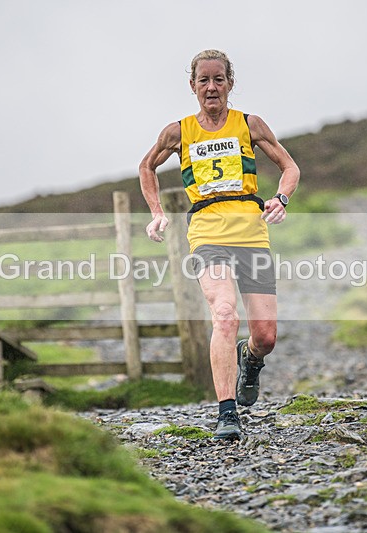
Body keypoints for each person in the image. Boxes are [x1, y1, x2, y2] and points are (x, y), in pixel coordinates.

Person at [139, 49, 300, 440]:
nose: (211, 87)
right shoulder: (177, 132)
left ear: (230, 83)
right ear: (192, 86)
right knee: (225, 314)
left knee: (265, 336)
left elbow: (290, 167)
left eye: (219, 79)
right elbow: (146, 166)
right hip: (207, 233)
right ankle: (227, 413)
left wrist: (281, 198)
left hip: (251, 233)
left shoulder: (250, 124)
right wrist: (157, 210)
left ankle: (251, 359)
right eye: (203, 80)